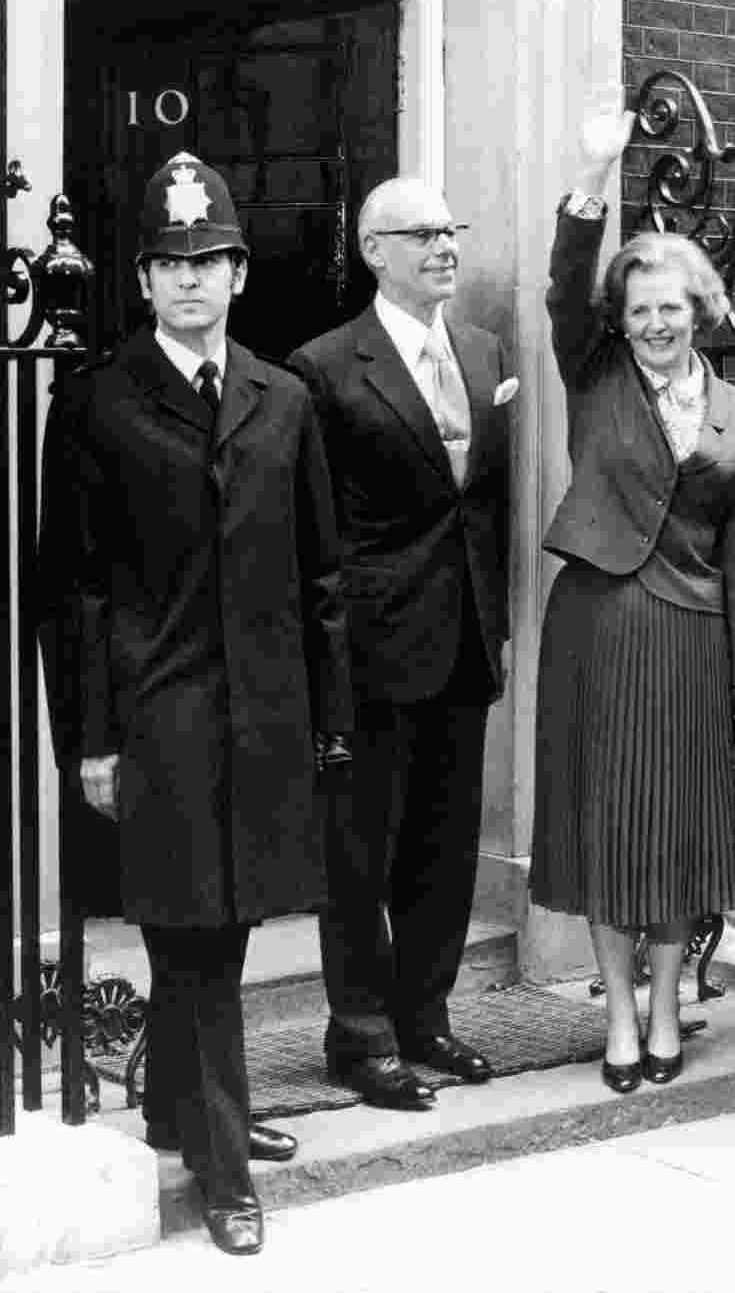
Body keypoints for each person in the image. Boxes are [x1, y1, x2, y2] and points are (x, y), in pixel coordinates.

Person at [38, 152, 352, 1255]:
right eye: (169, 263)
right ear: (141, 281)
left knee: (219, 930)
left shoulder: (284, 401)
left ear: (237, 272)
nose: (189, 281)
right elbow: (68, 590)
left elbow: (323, 577)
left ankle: (177, 1105)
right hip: (158, 719)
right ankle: (221, 1172)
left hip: (264, 717)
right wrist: (87, 739)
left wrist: (331, 720)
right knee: (197, 943)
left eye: (207, 259)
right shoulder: (98, 401)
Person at [528, 104, 735, 1093]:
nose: (655, 324)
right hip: (595, 626)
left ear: (698, 310)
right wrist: (595, 172)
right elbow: (559, 289)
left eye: (670, 308)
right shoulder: (593, 374)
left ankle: (669, 1007)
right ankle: (618, 1016)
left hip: (690, 639)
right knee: (603, 826)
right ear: (618, 322)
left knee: (671, 835)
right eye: (638, 311)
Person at [287, 177, 514, 1110]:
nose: (443, 247)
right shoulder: (324, 367)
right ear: (373, 250)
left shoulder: (482, 348)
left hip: (464, 641)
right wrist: (326, 664)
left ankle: (427, 1018)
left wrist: (493, 620)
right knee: (361, 852)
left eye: (450, 230)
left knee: (444, 846)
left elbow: (486, 505)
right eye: (420, 234)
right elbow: (313, 533)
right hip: (372, 653)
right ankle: (362, 1036)